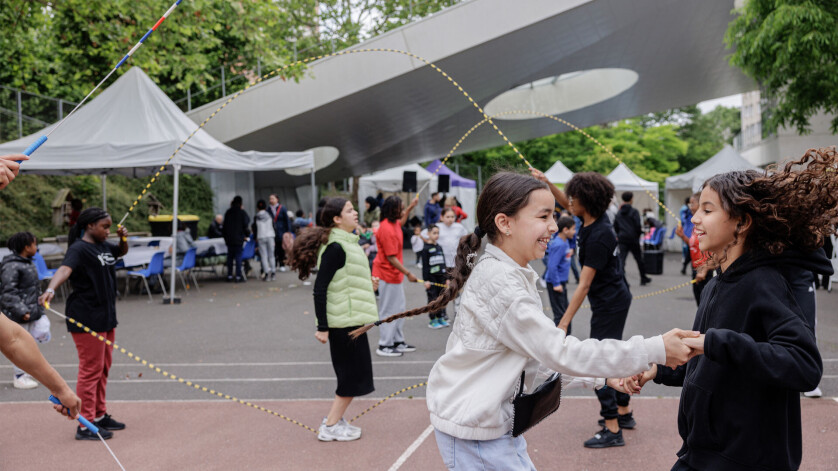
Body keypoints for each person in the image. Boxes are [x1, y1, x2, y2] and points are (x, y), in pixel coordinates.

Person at [352, 171, 698, 470]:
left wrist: (604, 376)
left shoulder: (509, 274)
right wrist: (653, 349)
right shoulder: (501, 283)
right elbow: (558, 352)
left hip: (491, 426)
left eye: (554, 216)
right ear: (505, 223)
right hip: (477, 433)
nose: (554, 226)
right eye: (544, 216)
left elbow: (536, 357)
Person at [623, 149, 836, 471]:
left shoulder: (763, 283)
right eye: (698, 209)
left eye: (707, 210)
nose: (695, 218)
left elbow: (804, 365)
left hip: (743, 460)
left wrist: (713, 341)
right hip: (703, 453)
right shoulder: (716, 284)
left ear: (742, 222)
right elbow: (713, 357)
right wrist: (661, 370)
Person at [553, 172, 637, 448]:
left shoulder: (600, 234)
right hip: (611, 299)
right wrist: (546, 182)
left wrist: (563, 322)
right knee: (612, 356)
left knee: (598, 361)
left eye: (574, 197)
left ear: (586, 202)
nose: (569, 202)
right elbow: (565, 202)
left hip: (611, 303)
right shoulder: (590, 220)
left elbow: (584, 284)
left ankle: (612, 427)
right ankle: (624, 412)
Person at [289, 197, 378, 442]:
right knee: (350, 379)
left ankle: (334, 421)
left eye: (354, 209)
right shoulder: (335, 247)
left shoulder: (350, 243)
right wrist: (322, 327)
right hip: (343, 324)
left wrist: (368, 284)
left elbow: (345, 281)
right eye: (349, 210)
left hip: (353, 321)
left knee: (356, 377)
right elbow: (320, 289)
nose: (355, 213)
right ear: (337, 219)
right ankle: (329, 426)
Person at [39, 207, 129, 441]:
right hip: (86, 318)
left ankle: (99, 414)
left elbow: (120, 251)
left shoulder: (104, 245)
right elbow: (65, 269)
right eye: (104, 227)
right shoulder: (79, 249)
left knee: (103, 368)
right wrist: (51, 289)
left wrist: (123, 238)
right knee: (91, 370)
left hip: (106, 317)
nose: (108, 231)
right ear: (90, 226)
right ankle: (85, 424)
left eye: (110, 227)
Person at [1, 232, 51, 389]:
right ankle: (20, 376)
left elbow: (31, 290)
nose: (36, 247)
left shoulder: (27, 263)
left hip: (31, 312)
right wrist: (22, 311)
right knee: (19, 347)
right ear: (26, 247)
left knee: (30, 344)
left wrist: (39, 304)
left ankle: (27, 372)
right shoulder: (11, 266)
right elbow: (8, 293)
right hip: (18, 315)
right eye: (34, 244)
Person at [372, 195, 419, 357]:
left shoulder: (394, 224)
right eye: (401, 208)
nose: (403, 211)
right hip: (386, 275)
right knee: (388, 310)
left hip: (395, 276)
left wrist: (411, 207)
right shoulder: (386, 229)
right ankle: (384, 344)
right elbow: (391, 257)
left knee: (399, 309)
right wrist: (408, 273)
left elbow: (401, 222)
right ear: (393, 210)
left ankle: (397, 341)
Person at [674, 193, 713, 306]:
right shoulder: (696, 225)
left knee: (706, 307)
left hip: (706, 271)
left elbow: (719, 250)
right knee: (699, 304)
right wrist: (682, 236)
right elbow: (694, 244)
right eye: (689, 204)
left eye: (692, 204)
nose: (690, 207)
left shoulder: (708, 225)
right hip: (695, 268)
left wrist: (705, 269)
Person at [435, 208, 469, 318]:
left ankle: (457, 311)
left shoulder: (459, 227)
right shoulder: (437, 227)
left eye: (452, 217)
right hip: (442, 263)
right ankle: (442, 313)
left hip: (455, 263)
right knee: (443, 288)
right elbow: (424, 235)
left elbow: (466, 239)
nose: (450, 219)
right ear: (441, 217)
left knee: (456, 287)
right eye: (447, 217)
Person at [614, 192, 652, 286]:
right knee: (639, 259)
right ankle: (643, 278)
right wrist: (638, 234)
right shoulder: (634, 212)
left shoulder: (619, 213)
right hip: (633, 238)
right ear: (631, 199)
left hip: (622, 238)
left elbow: (615, 226)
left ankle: (622, 280)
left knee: (622, 260)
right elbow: (637, 225)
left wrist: (619, 234)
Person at [543, 216, 575, 326]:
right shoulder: (559, 244)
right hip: (555, 284)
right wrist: (556, 284)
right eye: (573, 229)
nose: (574, 232)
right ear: (565, 230)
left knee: (565, 313)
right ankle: (561, 335)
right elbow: (552, 266)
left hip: (561, 282)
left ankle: (566, 334)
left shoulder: (564, 242)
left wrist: (569, 252)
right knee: (560, 315)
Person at [421, 225, 449, 329]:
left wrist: (446, 278)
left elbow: (443, 263)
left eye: (438, 233)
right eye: (434, 233)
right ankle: (433, 320)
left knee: (441, 299)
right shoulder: (425, 249)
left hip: (441, 278)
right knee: (433, 299)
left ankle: (440, 317)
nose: (436, 235)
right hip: (431, 279)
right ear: (428, 234)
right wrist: (426, 280)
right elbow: (425, 266)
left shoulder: (439, 247)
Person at [223, 196, 250, 282]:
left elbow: (224, 226)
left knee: (230, 257)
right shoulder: (242, 212)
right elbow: (246, 222)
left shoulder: (228, 212)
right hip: (239, 238)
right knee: (238, 257)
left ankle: (229, 275)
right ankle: (238, 276)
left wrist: (225, 238)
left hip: (229, 239)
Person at [254, 200, 277, 281]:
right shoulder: (270, 215)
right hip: (270, 236)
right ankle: (273, 273)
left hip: (261, 236)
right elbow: (274, 226)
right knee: (271, 255)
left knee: (263, 256)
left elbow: (254, 228)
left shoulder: (256, 217)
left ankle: (266, 274)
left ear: (257, 208)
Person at [268, 194, 291, 272]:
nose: (271, 200)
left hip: (281, 232)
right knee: (273, 249)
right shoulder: (268, 209)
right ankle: (273, 265)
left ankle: (282, 264)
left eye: (272, 198)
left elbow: (287, 220)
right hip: (271, 232)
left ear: (277, 199)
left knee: (281, 249)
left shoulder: (282, 208)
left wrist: (288, 231)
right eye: (270, 199)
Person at [679, 196, 694, 275]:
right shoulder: (686, 211)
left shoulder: (686, 211)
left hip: (690, 233)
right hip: (689, 234)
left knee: (690, 252)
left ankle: (685, 267)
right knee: (690, 251)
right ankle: (687, 267)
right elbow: (683, 220)